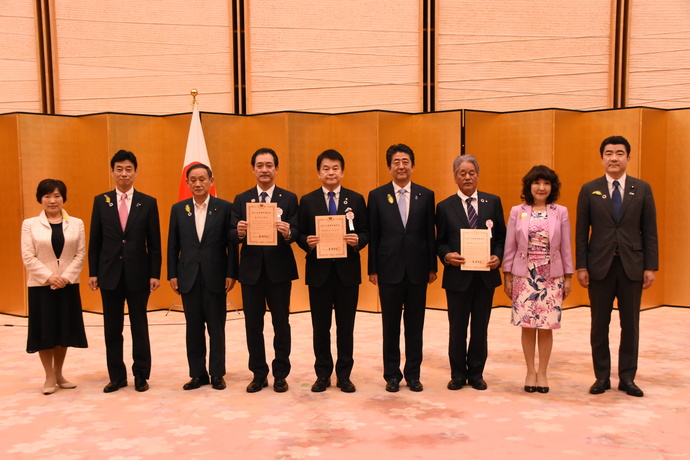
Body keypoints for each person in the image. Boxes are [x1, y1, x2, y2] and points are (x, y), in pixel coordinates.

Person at [576, 135, 658, 397]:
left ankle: (627, 378)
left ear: (628, 158)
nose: (614, 158)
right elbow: (581, 232)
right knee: (599, 324)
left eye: (620, 153)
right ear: (602, 158)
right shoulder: (589, 189)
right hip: (599, 267)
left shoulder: (642, 189)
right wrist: (581, 266)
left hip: (632, 266)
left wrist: (650, 266)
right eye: (609, 153)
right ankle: (601, 377)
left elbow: (650, 231)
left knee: (630, 324)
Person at [88, 150, 162, 393]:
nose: (123, 174)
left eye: (128, 169)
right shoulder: (101, 201)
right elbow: (95, 241)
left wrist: (154, 273)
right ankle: (117, 376)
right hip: (109, 274)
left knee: (139, 325)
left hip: (138, 274)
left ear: (135, 172)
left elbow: (154, 242)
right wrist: (93, 272)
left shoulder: (148, 203)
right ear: (112, 172)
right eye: (119, 169)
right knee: (112, 327)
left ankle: (141, 374)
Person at [297, 149, 369, 393]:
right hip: (319, 273)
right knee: (320, 327)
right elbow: (299, 233)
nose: (331, 172)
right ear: (318, 173)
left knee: (345, 327)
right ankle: (322, 375)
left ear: (343, 171)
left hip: (347, 273)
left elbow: (367, 232)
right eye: (326, 168)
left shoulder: (356, 199)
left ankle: (345, 375)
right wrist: (307, 240)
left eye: (335, 168)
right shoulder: (307, 200)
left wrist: (357, 240)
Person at [368, 143, 437, 392]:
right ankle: (392, 375)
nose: (401, 166)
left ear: (413, 166)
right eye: (396, 162)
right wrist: (372, 269)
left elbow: (430, 233)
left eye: (405, 161)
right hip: (388, 269)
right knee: (390, 325)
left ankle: (414, 374)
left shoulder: (426, 195)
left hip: (418, 269)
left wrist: (432, 267)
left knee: (415, 325)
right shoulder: (376, 196)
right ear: (389, 167)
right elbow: (374, 236)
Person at [230, 148, 299, 393]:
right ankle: (258, 374)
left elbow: (297, 232)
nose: (264, 170)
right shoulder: (241, 199)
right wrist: (238, 232)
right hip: (251, 273)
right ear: (253, 169)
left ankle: (281, 374)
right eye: (260, 165)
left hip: (279, 271)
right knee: (253, 325)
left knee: (282, 324)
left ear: (276, 169)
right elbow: (229, 234)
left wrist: (288, 232)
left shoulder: (289, 198)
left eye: (269, 165)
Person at [436, 154, 506, 391]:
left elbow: (501, 237)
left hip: (485, 277)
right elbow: (440, 241)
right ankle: (457, 374)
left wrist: (499, 255)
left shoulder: (492, 202)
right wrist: (447, 256)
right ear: (455, 177)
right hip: (457, 278)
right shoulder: (444, 207)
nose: (467, 177)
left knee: (480, 327)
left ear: (477, 174)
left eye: (471, 172)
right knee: (457, 328)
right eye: (462, 173)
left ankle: (476, 374)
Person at [502, 165, 573, 394]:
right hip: (524, 275)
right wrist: (507, 275)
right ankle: (529, 371)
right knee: (527, 325)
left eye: (546, 183)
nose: (541, 187)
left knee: (546, 326)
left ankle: (542, 372)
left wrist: (568, 276)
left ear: (552, 187)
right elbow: (510, 246)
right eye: (536, 183)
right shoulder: (517, 211)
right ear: (529, 186)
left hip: (552, 276)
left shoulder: (560, 211)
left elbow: (565, 247)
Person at [168, 163, 237, 391]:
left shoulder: (225, 208)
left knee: (216, 328)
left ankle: (217, 374)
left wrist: (231, 273)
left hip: (216, 276)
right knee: (193, 328)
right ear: (187, 183)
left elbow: (231, 245)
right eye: (193, 180)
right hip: (188, 277)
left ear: (211, 181)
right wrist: (172, 274)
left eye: (202, 179)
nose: (198, 184)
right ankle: (197, 375)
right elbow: (172, 245)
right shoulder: (179, 209)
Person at [21, 179, 88, 395]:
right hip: (41, 286)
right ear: (40, 198)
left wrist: (65, 277)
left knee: (64, 330)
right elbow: (28, 256)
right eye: (47, 196)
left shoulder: (76, 223)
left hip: (68, 285)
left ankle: (59, 373)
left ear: (63, 198)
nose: (52, 200)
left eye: (57, 195)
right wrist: (51, 277)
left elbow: (80, 254)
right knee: (46, 330)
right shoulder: (29, 224)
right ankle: (49, 375)